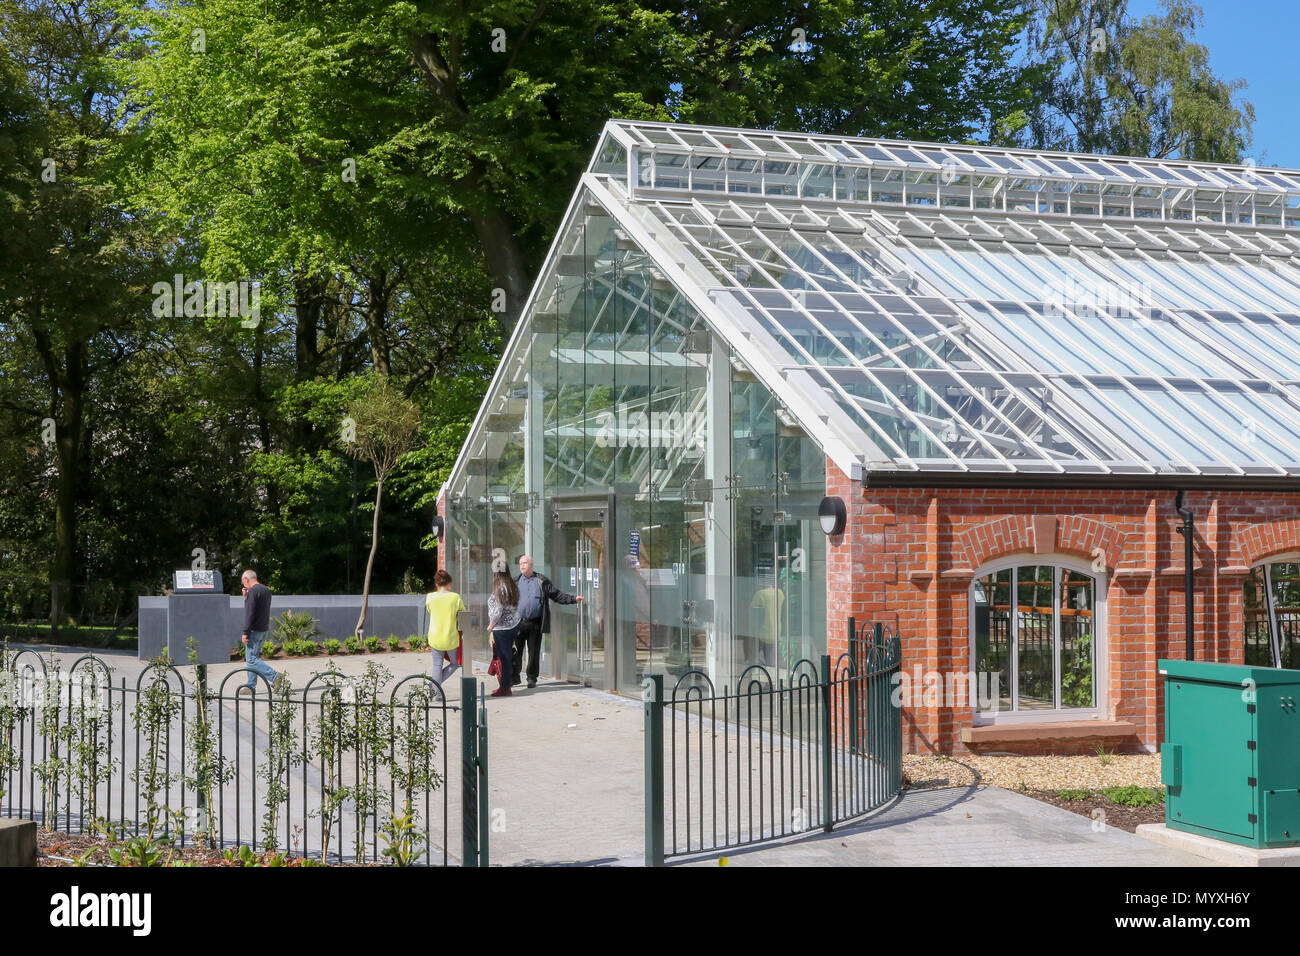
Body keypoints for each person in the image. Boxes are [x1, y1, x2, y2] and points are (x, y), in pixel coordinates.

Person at [513, 554, 581, 689]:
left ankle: (532, 678)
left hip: (535, 623)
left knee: (533, 653)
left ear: (531, 565)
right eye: (520, 563)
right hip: (518, 623)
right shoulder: (515, 581)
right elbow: (506, 600)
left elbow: (557, 595)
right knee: (516, 652)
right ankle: (514, 677)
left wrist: (573, 599)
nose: (522, 565)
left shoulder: (541, 581)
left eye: (525, 563)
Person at [425, 569, 466, 689]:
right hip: (450, 637)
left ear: (436, 584)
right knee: (455, 663)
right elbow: (463, 613)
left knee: (437, 665)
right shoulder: (455, 597)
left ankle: (436, 693)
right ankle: (434, 686)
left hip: (434, 637)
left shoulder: (430, 597)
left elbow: (430, 611)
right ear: (449, 583)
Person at [240, 570, 277, 690]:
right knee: (253, 658)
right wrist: (247, 597)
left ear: (247, 579)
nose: (243, 584)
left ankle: (275, 677)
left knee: (251, 659)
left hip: (254, 630)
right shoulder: (265, 590)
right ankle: (251, 685)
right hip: (263, 628)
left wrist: (245, 631)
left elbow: (250, 612)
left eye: (243, 581)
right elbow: (259, 608)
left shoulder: (253, 591)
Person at [487, 570, 520, 697]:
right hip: (513, 625)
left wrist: (491, 625)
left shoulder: (500, 587)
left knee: (504, 658)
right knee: (507, 657)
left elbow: (498, 610)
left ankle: (505, 687)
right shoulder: (512, 586)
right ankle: (507, 685)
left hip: (501, 628)